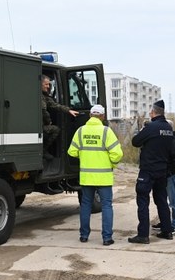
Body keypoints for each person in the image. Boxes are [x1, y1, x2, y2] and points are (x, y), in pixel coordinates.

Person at [67, 104, 123, 246]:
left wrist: (85, 156)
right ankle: (107, 238)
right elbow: (117, 154)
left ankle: (84, 236)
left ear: (90, 115)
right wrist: (112, 164)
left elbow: (72, 152)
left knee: (85, 205)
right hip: (104, 177)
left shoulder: (80, 131)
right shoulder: (106, 132)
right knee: (106, 206)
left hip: (86, 177)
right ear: (102, 116)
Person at [128, 100, 174, 244]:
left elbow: (135, 142)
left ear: (154, 112)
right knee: (161, 200)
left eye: (150, 111)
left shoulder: (151, 127)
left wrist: (143, 129)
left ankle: (143, 235)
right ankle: (167, 231)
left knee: (143, 200)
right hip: (162, 170)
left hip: (148, 170)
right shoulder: (168, 128)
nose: (149, 113)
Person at [152, 119, 175, 234]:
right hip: (165, 175)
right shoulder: (168, 140)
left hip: (171, 175)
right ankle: (165, 222)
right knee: (163, 200)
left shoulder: (174, 141)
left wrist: (169, 171)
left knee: (173, 201)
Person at [42, 75, 78, 160]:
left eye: (49, 85)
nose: (48, 87)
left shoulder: (44, 95)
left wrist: (68, 110)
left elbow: (54, 105)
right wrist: (48, 122)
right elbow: (43, 111)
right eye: (46, 84)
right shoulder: (40, 96)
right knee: (56, 130)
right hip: (38, 127)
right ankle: (43, 151)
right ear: (40, 84)